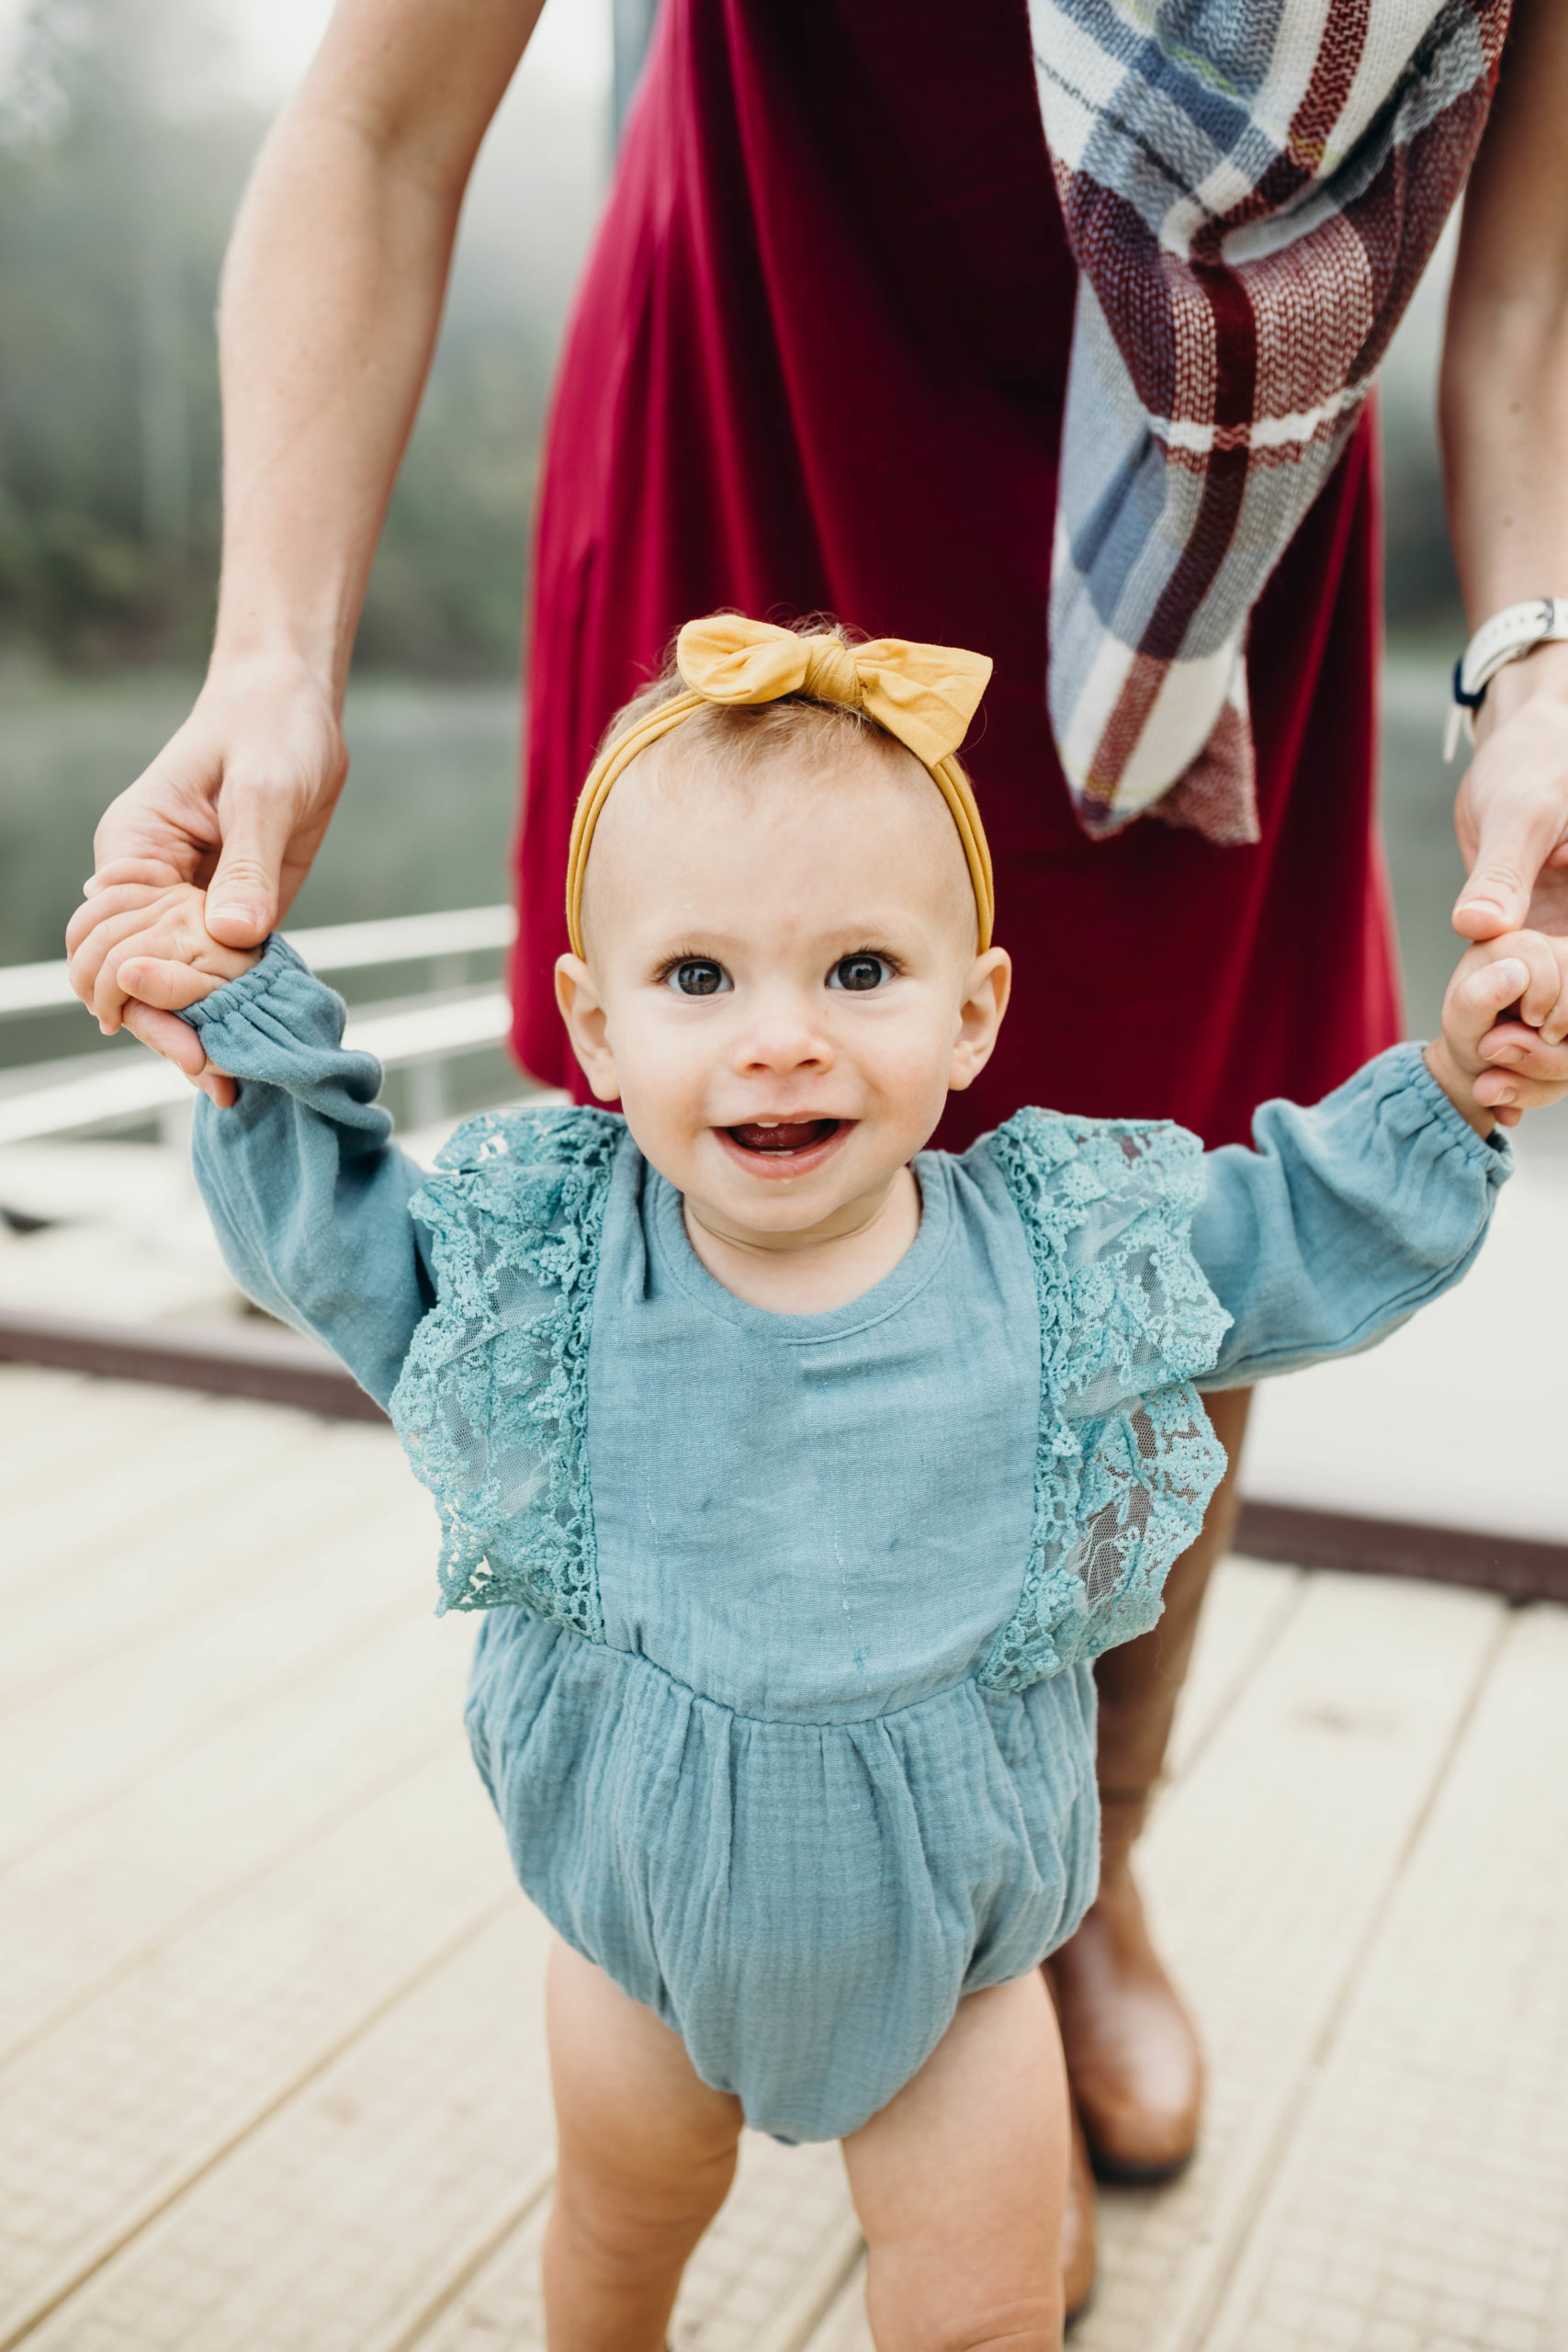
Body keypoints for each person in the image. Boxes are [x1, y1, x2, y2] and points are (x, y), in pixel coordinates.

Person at [71, 0, 1568, 2304]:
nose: (778, 1045)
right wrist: (244, 925)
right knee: (619, 2225)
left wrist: (1468, 1043)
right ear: (576, 1021)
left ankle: (1068, 1877)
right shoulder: (543, 1240)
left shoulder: (1079, 1234)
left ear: (971, 1015)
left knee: (1174, 1159)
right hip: (762, 351)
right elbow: (372, 122)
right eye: (681, 1002)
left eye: (869, 991)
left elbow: (1265, 1227)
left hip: (1206, 484)